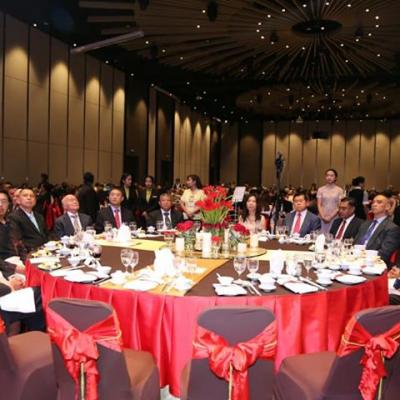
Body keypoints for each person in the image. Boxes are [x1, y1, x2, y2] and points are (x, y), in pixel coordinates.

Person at [354, 193, 400, 266]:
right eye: (373, 202)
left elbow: (384, 254)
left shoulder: (392, 228)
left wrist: (362, 258)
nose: (374, 204)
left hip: (373, 264)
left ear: (387, 207)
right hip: (355, 259)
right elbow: (355, 244)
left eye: (379, 202)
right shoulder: (365, 224)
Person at [0, 191, 25, 279]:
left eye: (4, 201)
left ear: (8, 204)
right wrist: (15, 268)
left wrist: (26, 262)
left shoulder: (10, 222)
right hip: (4, 269)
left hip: (18, 262)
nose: (0, 205)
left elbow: (20, 246)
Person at [317, 168, 344, 233]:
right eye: (327, 175)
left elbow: (339, 205)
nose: (329, 177)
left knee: (332, 234)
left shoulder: (339, 190)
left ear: (335, 178)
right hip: (322, 216)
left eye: (332, 176)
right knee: (321, 235)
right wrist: (323, 216)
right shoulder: (320, 189)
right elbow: (319, 204)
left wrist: (330, 217)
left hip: (335, 217)